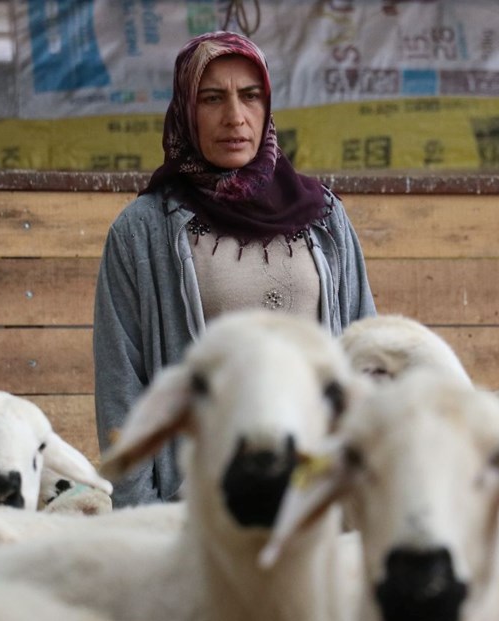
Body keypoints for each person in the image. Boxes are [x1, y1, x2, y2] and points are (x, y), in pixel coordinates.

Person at [93, 31, 376, 507]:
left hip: (317, 493)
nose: (235, 117)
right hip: (202, 499)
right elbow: (121, 384)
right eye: (212, 99)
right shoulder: (143, 230)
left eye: (250, 96)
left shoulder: (324, 216)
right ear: (186, 109)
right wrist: (141, 514)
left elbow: (364, 352)